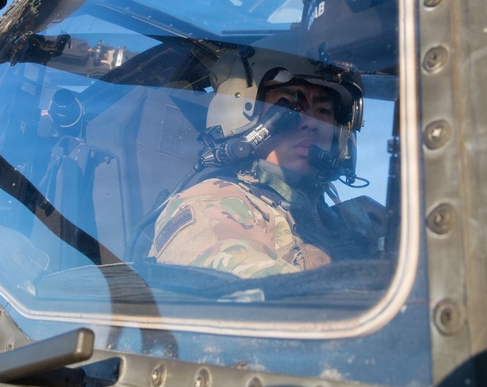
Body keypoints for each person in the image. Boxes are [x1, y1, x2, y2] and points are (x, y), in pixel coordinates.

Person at [148, 47, 385, 279]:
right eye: (290, 107)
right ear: (241, 113)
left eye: (323, 110)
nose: (310, 122)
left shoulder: (352, 220)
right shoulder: (211, 206)